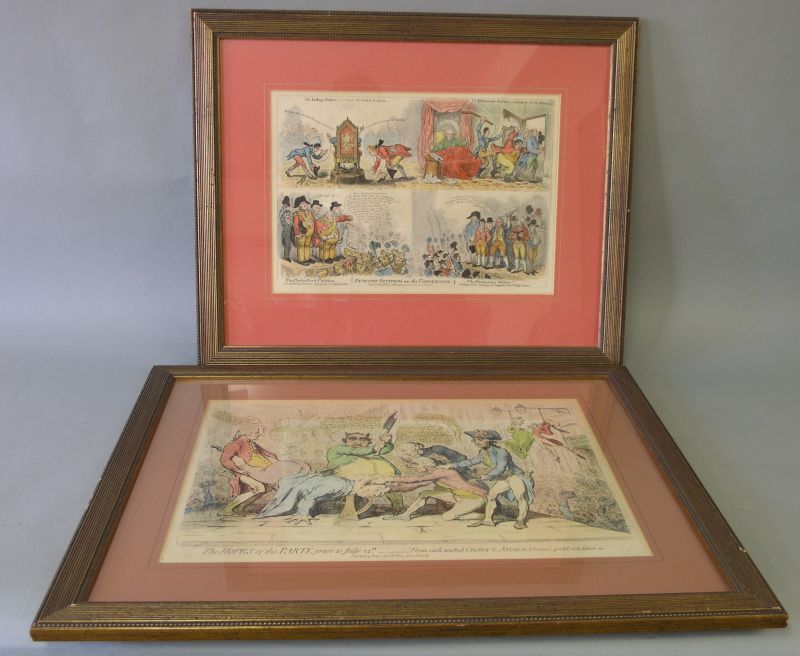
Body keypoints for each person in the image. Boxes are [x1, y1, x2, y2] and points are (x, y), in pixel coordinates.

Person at [442, 429, 534, 530]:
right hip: (504, 479)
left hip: (515, 477)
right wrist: (451, 465)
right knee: (491, 496)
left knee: (520, 497)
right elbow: (471, 462)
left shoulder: (501, 452)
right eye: (475, 440)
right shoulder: (483, 453)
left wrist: (486, 476)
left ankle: (520, 520)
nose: (477, 442)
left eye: (481, 439)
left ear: (490, 440)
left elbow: (500, 468)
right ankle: (488, 520)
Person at [383, 447, 487, 521]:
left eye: (415, 465)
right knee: (425, 493)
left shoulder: (441, 472)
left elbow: (418, 479)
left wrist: (390, 478)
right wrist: (389, 489)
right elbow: (413, 485)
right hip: (458, 497)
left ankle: (484, 516)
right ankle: (405, 515)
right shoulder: (434, 474)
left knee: (447, 517)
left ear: (424, 465)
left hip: (474, 498)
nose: (414, 468)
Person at [255, 472, 389, 525]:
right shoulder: (339, 485)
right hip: (295, 487)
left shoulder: (347, 487)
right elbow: (310, 496)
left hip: (304, 489)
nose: (376, 495)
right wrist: (303, 514)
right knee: (284, 507)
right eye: (377, 491)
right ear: (365, 486)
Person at [321, 431, 403, 513]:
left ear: (368, 442)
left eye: (363, 440)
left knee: (392, 484)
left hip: (380, 478)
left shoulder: (369, 451)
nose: (358, 442)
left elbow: (386, 449)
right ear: (345, 441)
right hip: (350, 480)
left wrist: (386, 441)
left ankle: (398, 509)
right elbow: (355, 451)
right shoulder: (337, 449)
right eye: (352, 439)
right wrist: (375, 447)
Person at [217, 425, 278, 516]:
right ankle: (226, 509)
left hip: (251, 471)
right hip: (239, 473)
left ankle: (241, 507)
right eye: (256, 432)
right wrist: (237, 469)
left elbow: (265, 452)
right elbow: (224, 460)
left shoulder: (252, 443)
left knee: (267, 488)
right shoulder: (235, 444)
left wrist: (276, 460)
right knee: (260, 488)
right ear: (247, 432)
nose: (259, 434)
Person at [291, 196, 314, 265]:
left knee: (307, 245)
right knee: (301, 246)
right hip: (301, 233)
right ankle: (301, 259)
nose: (305, 205)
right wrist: (297, 233)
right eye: (302, 203)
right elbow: (295, 224)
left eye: (306, 203)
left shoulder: (310, 213)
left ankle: (307, 258)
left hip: (309, 233)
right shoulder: (296, 214)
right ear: (299, 205)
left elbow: (313, 221)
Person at [278, 195, 293, 261]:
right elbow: (281, 217)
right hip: (286, 233)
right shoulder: (282, 211)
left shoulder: (290, 221)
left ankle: (288, 255)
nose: (286, 205)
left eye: (287, 204)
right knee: (286, 244)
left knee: (290, 245)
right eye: (285, 204)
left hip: (290, 233)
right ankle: (286, 256)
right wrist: (285, 219)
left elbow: (291, 218)